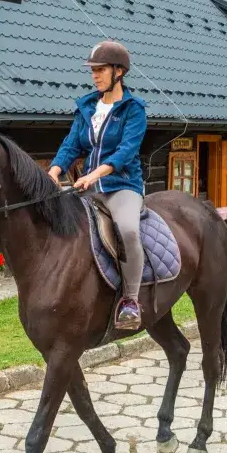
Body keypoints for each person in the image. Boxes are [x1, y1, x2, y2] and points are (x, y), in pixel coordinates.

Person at [49, 40, 148, 331]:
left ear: (119, 72)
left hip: (122, 186)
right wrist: (54, 171)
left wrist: (92, 176)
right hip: (89, 189)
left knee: (128, 230)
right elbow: (71, 145)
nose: (95, 76)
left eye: (100, 70)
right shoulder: (87, 107)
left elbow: (125, 152)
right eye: (93, 71)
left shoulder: (134, 110)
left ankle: (130, 300)